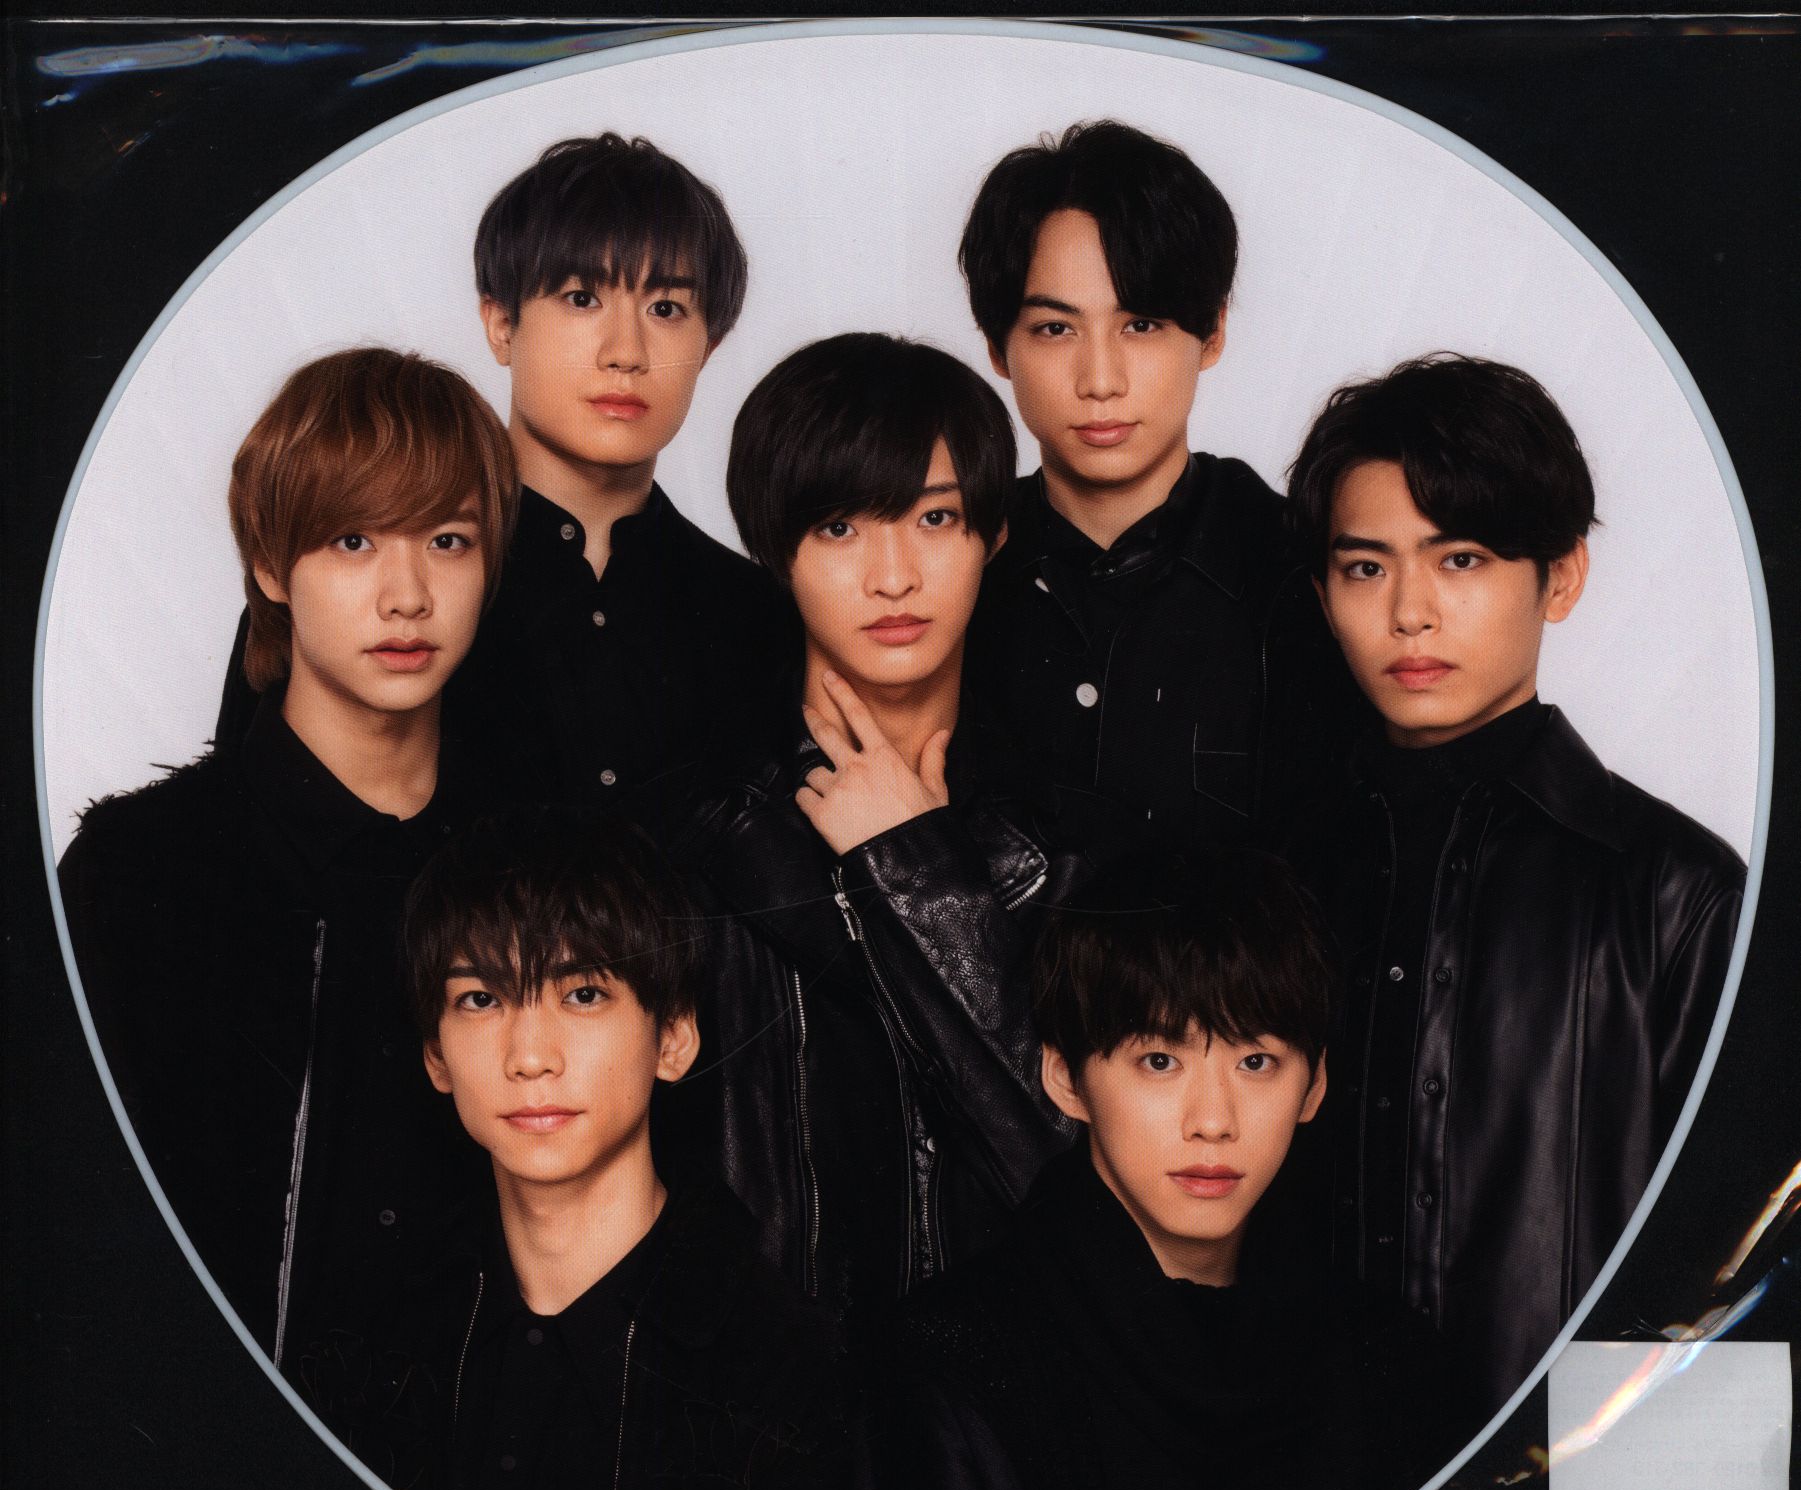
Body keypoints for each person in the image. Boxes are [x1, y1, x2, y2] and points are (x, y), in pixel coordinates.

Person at [854, 851, 1462, 1490]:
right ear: (1065, 1078)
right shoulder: (948, 1363)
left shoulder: (1390, 1363)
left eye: (1255, 1062)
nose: (1212, 1121)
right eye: (1159, 1061)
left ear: (1314, 1086)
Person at [1284, 353, 1745, 1410]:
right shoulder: (1283, 875)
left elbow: (1735, 1276)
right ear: (1320, 592)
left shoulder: (1678, 896)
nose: (1409, 613)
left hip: (1573, 1475)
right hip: (1309, 1480)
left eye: (1461, 559)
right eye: (1365, 568)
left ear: (1561, 577)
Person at [59, 347, 517, 1368]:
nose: (407, 595)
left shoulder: (535, 868)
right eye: (354, 540)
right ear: (271, 566)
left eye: (447, 540)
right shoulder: (137, 874)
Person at [334, 814, 850, 1490]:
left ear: (672, 1038)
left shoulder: (788, 1371)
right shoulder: (371, 1346)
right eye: (480, 999)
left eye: (582, 994)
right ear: (435, 1055)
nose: (530, 1056)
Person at [667, 331, 1082, 1330]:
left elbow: (1084, 1188)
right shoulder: (694, 835)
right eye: (840, 527)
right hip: (766, 1396)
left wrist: (913, 863)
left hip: (1009, 1393)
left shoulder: (1063, 837)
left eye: (935, 518)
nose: (893, 576)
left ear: (992, 534)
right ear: (773, 547)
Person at [955, 118, 1349, 855]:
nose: (1100, 380)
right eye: (1054, 329)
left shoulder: (1304, 569)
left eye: (1140, 324)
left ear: (1212, 333)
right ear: (996, 347)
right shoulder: (939, 569)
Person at [466, 130, 800, 806]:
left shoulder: (759, 614)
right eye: (582, 298)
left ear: (709, 346)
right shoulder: (398, 581)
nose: (626, 352)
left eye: (665, 309)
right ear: (501, 325)